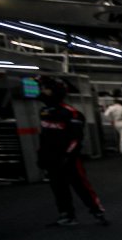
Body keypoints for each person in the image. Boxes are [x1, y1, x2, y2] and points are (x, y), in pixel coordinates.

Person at [36, 76, 108, 226]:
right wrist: (41, 155)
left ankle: (97, 210)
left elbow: (76, 138)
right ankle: (66, 214)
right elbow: (44, 136)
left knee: (80, 185)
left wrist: (68, 154)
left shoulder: (71, 113)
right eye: (42, 89)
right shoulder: (44, 112)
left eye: (46, 89)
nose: (43, 92)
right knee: (58, 187)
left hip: (69, 158)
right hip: (51, 158)